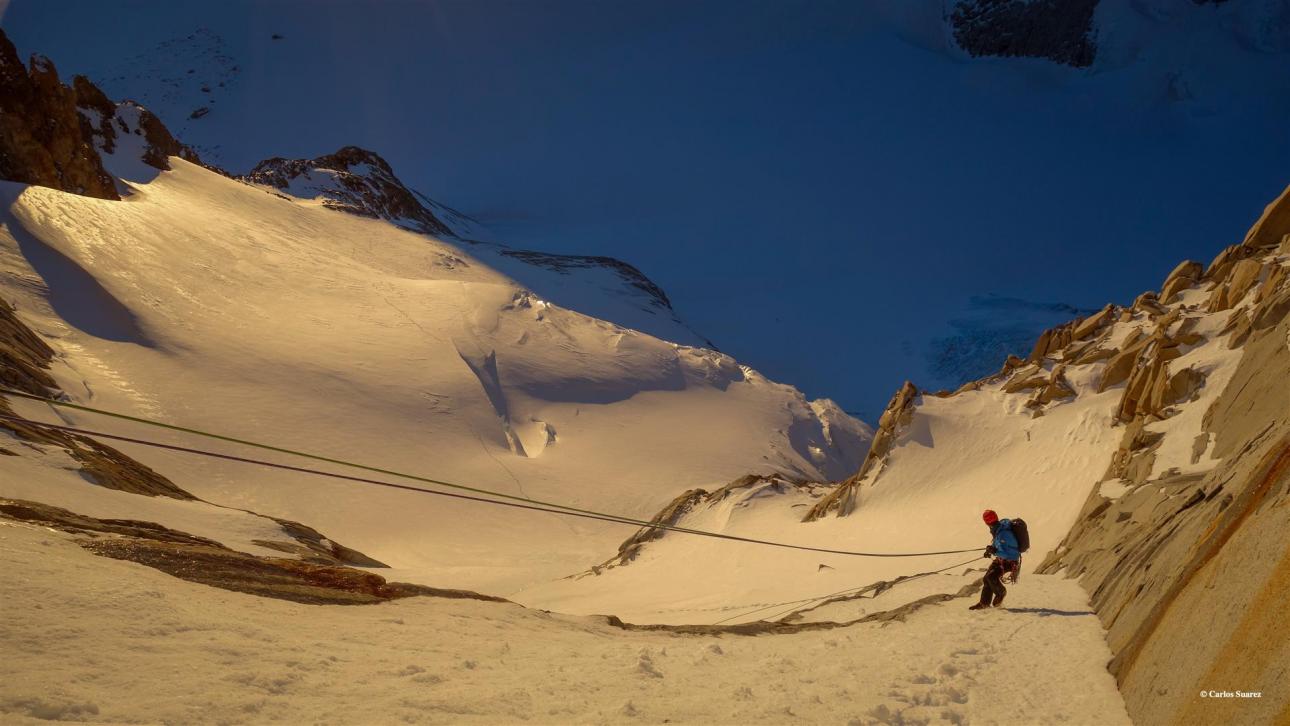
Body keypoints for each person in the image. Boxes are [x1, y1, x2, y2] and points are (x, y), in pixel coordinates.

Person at [969, 509, 1020, 610]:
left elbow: (1006, 553)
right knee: (986, 578)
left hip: (1009, 561)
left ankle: (1001, 592)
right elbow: (999, 546)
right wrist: (991, 549)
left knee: (991, 577)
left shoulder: (1002, 533)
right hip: (1004, 560)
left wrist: (994, 551)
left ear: (986, 522)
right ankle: (984, 603)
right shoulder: (998, 529)